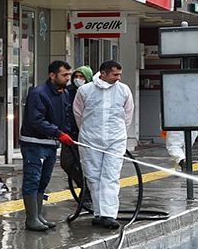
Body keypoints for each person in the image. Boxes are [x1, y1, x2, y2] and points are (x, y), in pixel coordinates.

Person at [73, 60, 134, 229]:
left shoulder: (123, 90)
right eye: (115, 74)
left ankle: (108, 214)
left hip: (115, 140)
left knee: (111, 176)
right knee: (93, 176)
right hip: (90, 139)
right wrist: (87, 132)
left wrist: (118, 133)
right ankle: (99, 213)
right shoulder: (85, 90)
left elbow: (128, 114)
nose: (118, 77)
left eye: (120, 74)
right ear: (103, 73)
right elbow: (78, 114)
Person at [20, 60, 75, 231]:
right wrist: (59, 133)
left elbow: (65, 116)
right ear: (52, 75)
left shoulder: (63, 93)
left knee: (43, 180)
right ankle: (31, 219)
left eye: (69, 75)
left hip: (51, 144)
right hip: (34, 144)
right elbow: (36, 120)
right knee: (32, 179)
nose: (68, 78)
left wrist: (67, 134)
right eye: (64, 75)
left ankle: (38, 215)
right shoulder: (38, 93)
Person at [60, 65, 94, 189]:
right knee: (67, 163)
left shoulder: (93, 92)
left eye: (82, 77)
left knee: (87, 164)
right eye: (76, 76)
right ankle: (85, 188)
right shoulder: (67, 91)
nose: (78, 79)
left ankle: (89, 190)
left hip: (88, 134)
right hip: (70, 133)